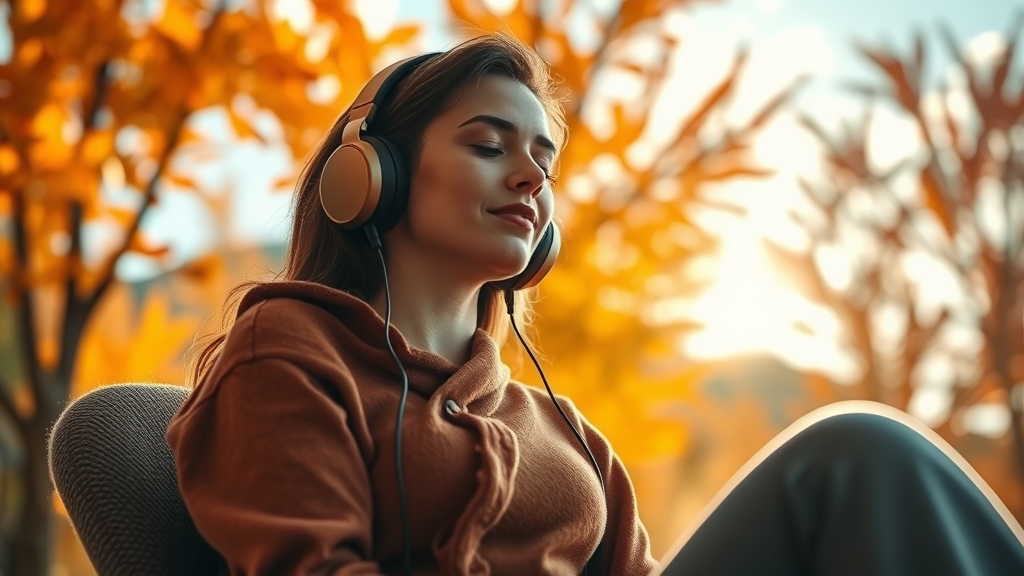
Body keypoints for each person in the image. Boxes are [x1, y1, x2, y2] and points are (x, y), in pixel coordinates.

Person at [166, 33, 1024, 576]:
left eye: (543, 158)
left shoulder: (561, 429)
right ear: (372, 178)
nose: (531, 176)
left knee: (864, 456)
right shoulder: (286, 354)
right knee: (852, 451)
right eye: (487, 144)